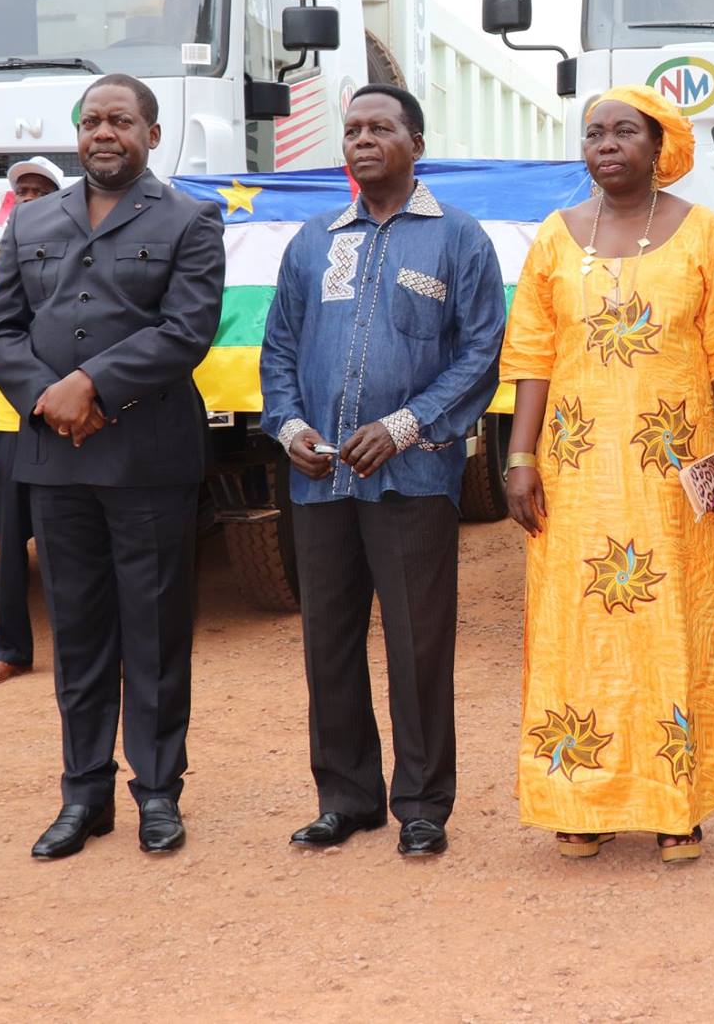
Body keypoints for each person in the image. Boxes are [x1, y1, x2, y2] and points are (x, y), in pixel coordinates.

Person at [502, 85, 714, 863]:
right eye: (593, 133)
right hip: (576, 474)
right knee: (574, 633)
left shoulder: (702, 232)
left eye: (623, 132)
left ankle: (674, 802)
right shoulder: (555, 237)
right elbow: (532, 357)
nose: (606, 144)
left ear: (659, 146)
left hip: (675, 473)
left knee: (674, 624)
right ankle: (581, 798)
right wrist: (519, 456)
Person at [0, 73, 225, 859]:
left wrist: (95, 385)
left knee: (153, 634)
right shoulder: (31, 222)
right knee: (78, 634)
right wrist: (50, 395)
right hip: (56, 459)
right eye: (91, 122)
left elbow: (188, 331)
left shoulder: (190, 218)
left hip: (148, 457)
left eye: (121, 120)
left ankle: (157, 792)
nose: (103, 133)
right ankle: (83, 796)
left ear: (152, 134)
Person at [260, 85, 506, 860]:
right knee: (327, 643)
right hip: (319, 480)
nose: (363, 140)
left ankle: (424, 804)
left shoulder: (458, 239)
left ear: (417, 142)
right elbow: (278, 351)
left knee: (416, 642)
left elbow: (480, 355)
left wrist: (404, 426)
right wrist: (291, 425)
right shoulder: (311, 241)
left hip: (415, 478)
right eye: (353, 129)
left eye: (381, 128)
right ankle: (347, 797)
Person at [0, 156, 66, 688]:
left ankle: (79, 649)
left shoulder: (75, 255)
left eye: (39, 189)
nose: (26, 197)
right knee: (9, 546)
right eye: (20, 189)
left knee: (65, 542)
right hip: (8, 427)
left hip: (62, 422)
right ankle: (10, 651)